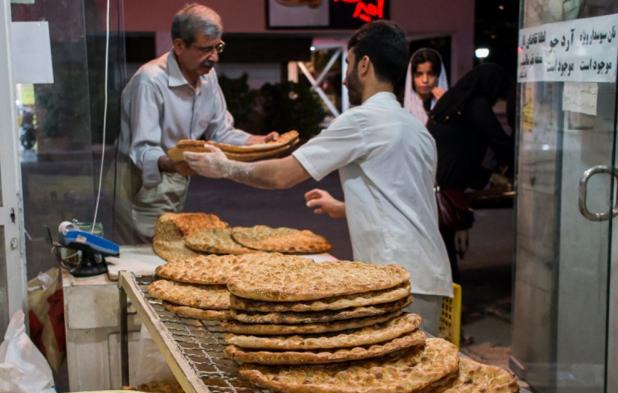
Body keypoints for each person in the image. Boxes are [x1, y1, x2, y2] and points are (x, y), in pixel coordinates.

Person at [184, 20, 453, 335]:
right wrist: (343, 207)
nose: (344, 77)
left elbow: (283, 175)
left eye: (349, 64)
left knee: (391, 376)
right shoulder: (416, 129)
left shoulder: (363, 120)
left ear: (364, 64)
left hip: (395, 278)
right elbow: (405, 198)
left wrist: (225, 167)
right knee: (421, 374)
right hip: (430, 277)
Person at [115, 3, 278, 243]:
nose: (214, 57)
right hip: (143, 183)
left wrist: (258, 142)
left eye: (218, 47)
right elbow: (142, 151)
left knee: (170, 252)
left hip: (177, 176)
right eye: (205, 49)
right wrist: (178, 162)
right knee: (147, 258)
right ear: (179, 46)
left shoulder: (207, 76)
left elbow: (220, 131)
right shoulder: (150, 82)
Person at [426, 63, 514, 282]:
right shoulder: (476, 105)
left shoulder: (450, 101)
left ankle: (445, 303)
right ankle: (448, 307)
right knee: (446, 256)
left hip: (432, 181)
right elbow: (499, 141)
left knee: (440, 253)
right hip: (446, 188)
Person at [403, 48, 448, 125]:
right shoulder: (401, 107)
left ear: (438, 76)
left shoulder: (449, 104)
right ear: (411, 77)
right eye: (419, 74)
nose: (425, 80)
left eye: (430, 74)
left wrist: (445, 105)